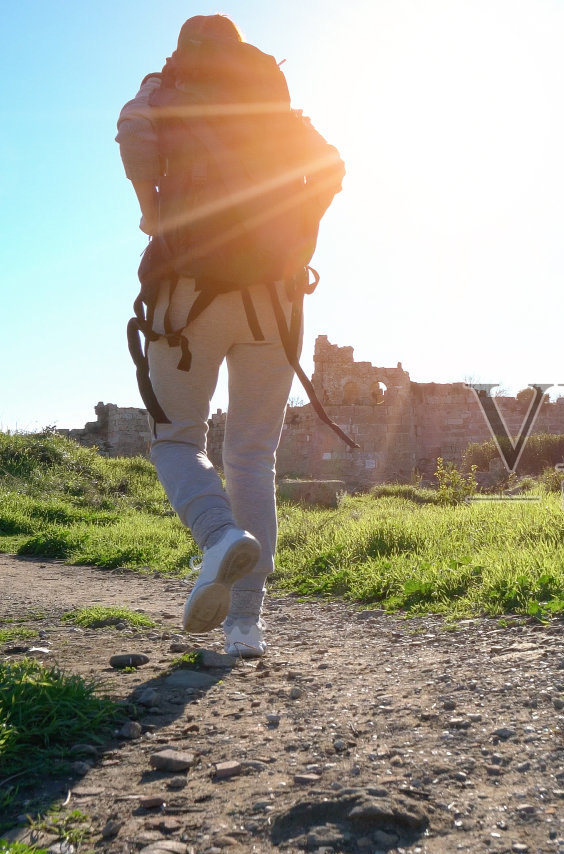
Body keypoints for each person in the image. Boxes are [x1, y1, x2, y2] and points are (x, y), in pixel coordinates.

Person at [117, 14, 345, 657]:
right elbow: (331, 166)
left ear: (185, 50)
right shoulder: (273, 103)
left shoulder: (163, 87)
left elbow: (133, 132)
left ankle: (218, 536)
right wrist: (297, 239)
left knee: (176, 439)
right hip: (275, 300)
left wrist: (150, 209)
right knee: (252, 456)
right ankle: (246, 624)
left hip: (188, 293)